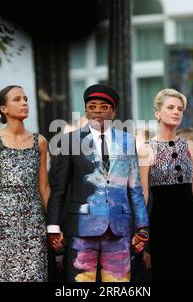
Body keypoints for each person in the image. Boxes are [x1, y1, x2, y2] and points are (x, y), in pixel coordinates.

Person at [47, 84, 149, 282]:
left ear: (113, 111)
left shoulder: (127, 141)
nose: (97, 111)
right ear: (86, 110)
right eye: (92, 106)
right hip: (81, 229)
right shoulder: (70, 141)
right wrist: (53, 226)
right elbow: (59, 188)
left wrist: (142, 226)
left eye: (104, 107)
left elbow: (135, 188)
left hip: (119, 229)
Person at [0, 85, 50, 282]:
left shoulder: (39, 141)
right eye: (17, 99)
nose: (24, 102)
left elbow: (44, 187)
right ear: (3, 109)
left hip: (33, 222)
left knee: (33, 275)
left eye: (25, 98)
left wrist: (54, 224)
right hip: (0, 222)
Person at [138, 88, 193, 282]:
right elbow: (143, 193)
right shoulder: (146, 149)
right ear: (157, 113)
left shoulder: (189, 146)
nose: (176, 112)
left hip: (191, 222)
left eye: (180, 108)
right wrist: (140, 227)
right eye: (170, 107)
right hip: (161, 224)